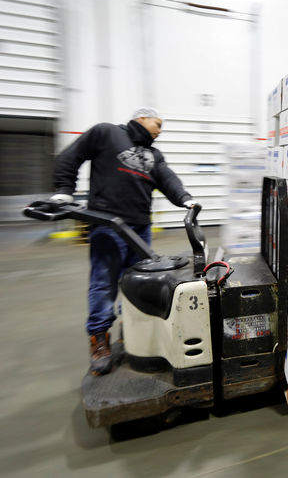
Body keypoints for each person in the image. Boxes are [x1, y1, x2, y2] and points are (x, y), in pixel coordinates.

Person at [50, 107, 198, 375]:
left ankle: (129, 331)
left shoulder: (153, 154)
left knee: (137, 285)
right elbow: (71, 156)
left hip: (140, 229)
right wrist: (64, 190)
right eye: (158, 123)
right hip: (108, 224)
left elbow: (167, 178)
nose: (160, 130)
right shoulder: (106, 132)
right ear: (142, 117)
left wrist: (184, 198)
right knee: (103, 284)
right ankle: (99, 340)